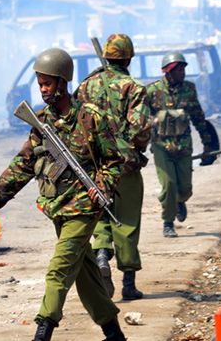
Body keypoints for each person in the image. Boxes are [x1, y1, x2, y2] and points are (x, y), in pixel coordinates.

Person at [0, 48, 127, 341]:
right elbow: (25, 162)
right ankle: (114, 334)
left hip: (83, 208)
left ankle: (43, 332)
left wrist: (103, 187)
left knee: (58, 271)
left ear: (62, 82)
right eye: (40, 84)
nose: (43, 89)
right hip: (57, 207)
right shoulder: (41, 121)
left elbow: (115, 159)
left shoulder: (89, 117)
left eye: (47, 83)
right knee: (86, 276)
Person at [74, 33, 151, 301]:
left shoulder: (86, 86)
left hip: (93, 166)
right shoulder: (134, 88)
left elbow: (75, 121)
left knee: (101, 218)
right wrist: (134, 149)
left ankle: (103, 257)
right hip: (125, 166)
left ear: (106, 55)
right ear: (128, 57)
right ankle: (128, 284)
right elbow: (140, 128)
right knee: (127, 222)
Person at [147, 51, 215, 237]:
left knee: (184, 188)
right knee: (168, 185)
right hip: (161, 146)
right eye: (178, 70)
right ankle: (168, 222)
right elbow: (141, 118)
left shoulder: (189, 90)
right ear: (168, 72)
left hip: (184, 146)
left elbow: (198, 117)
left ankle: (179, 201)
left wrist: (207, 143)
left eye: (184, 69)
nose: (182, 73)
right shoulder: (153, 91)